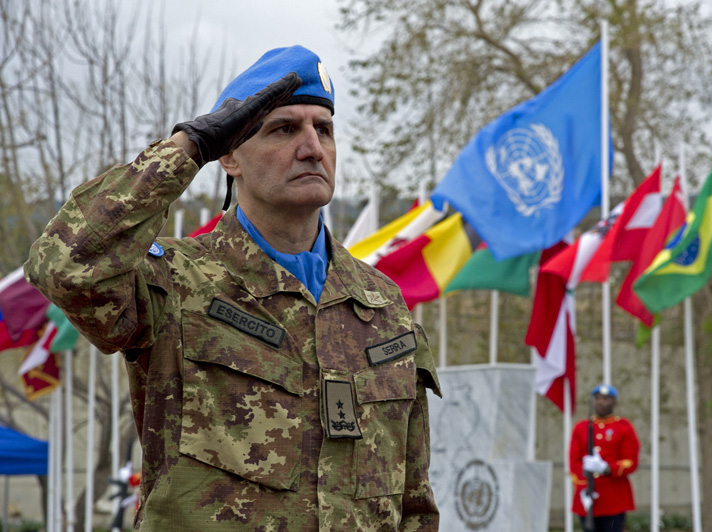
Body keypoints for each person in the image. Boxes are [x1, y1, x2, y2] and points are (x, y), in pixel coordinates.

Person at [25, 45, 442, 531]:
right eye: (284, 129)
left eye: (323, 129)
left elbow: (413, 505)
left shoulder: (381, 304)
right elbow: (64, 267)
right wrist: (188, 147)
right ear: (229, 157)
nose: (312, 147)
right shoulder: (177, 283)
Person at [569, 384, 640, 532]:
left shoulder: (623, 427)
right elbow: (573, 461)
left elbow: (631, 461)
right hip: (588, 496)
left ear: (614, 402)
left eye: (606, 399)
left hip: (614, 499)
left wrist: (606, 468)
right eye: (598, 398)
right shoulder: (581, 427)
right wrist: (583, 488)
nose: (600, 402)